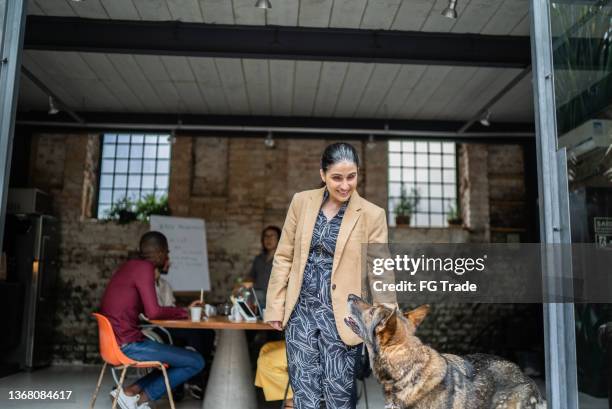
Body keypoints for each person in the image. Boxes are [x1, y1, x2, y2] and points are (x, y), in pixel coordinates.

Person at [264, 142, 395, 409]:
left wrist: (387, 320)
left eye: (352, 176)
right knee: (305, 395)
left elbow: (380, 269)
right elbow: (284, 256)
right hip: (300, 314)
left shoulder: (372, 215)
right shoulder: (302, 202)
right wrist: (275, 306)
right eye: (337, 177)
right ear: (322, 174)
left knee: (338, 396)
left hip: (342, 320)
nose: (345, 185)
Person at [100, 231, 205, 409]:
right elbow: (154, 313)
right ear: (159, 252)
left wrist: (183, 310)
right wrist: (186, 312)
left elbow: (144, 310)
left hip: (115, 343)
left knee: (176, 359)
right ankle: (140, 399)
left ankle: (130, 392)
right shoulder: (145, 268)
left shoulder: (129, 267)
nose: (167, 257)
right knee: (196, 361)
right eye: (167, 252)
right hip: (128, 345)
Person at [151, 268, 215, 400]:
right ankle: (194, 380)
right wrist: (185, 311)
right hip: (155, 328)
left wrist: (186, 310)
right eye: (166, 258)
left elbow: (170, 310)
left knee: (208, 332)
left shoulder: (165, 285)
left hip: (169, 325)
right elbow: (155, 313)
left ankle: (196, 377)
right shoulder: (145, 285)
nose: (169, 262)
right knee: (193, 335)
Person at [247, 225, 282, 294]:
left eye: (272, 236)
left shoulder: (282, 260)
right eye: (266, 236)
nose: (268, 239)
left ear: (279, 239)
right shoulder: (258, 258)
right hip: (256, 298)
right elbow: (251, 277)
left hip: (274, 299)